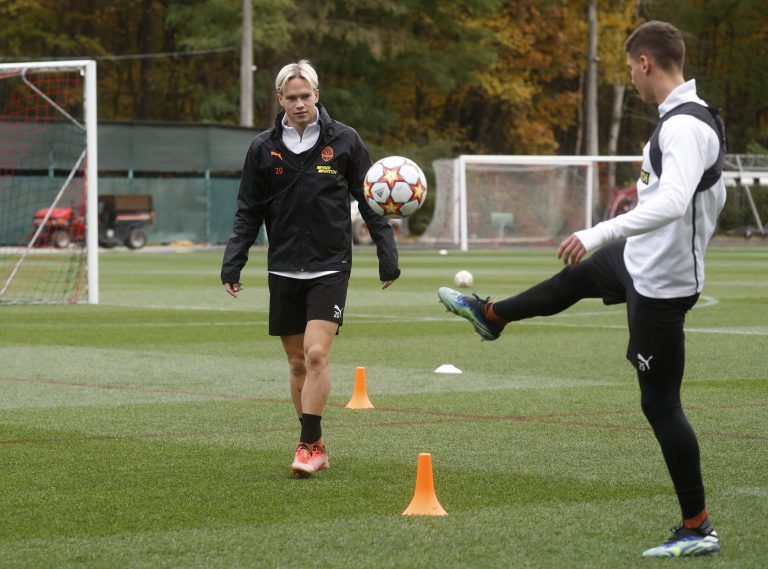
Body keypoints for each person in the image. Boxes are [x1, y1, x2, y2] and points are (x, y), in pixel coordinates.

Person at [438, 21, 724, 558]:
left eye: (629, 68)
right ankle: (492, 315)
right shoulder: (685, 118)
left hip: (661, 285)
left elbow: (676, 201)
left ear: (644, 64)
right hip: (639, 261)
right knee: (575, 279)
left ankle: (698, 527)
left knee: (660, 405)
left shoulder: (685, 126)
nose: (631, 79)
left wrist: (598, 230)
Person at [221, 59, 400, 478]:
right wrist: (235, 260)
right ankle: (315, 444)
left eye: (306, 95)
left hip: (329, 266)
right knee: (298, 363)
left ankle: (305, 446)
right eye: (291, 97)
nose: (299, 103)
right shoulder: (262, 147)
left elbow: (371, 201)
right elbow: (247, 209)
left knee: (317, 354)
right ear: (280, 98)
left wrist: (386, 254)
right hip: (283, 266)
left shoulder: (346, 142)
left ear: (317, 95)